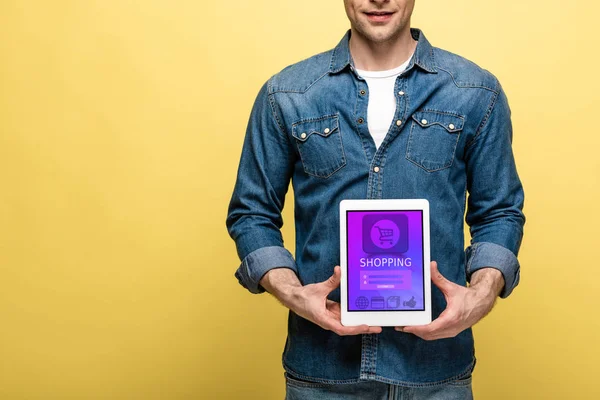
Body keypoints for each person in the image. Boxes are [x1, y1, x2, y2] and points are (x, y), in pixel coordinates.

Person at [226, 0, 525, 398]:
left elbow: (500, 212)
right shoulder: (287, 93)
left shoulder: (475, 92)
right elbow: (251, 213)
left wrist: (482, 294)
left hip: (436, 374)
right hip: (323, 373)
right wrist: (294, 293)